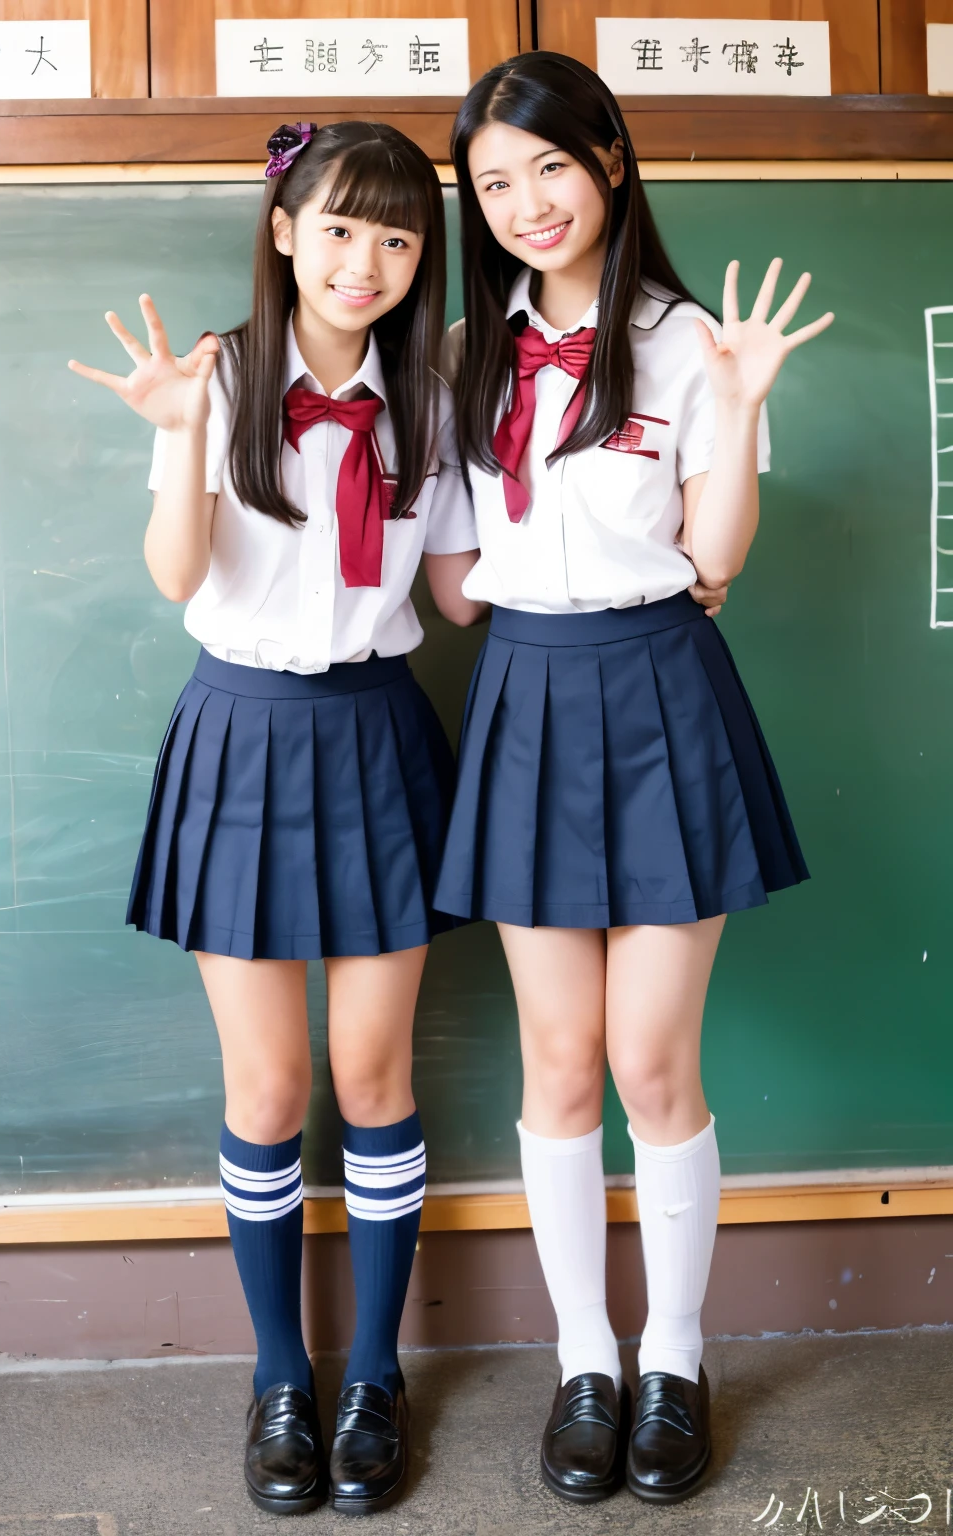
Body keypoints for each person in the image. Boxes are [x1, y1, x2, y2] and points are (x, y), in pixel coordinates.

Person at [435, 53, 833, 1505]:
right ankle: (581, 1362)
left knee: (654, 1064)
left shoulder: (690, 342)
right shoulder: (463, 352)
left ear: (608, 156)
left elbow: (716, 560)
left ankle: (676, 1357)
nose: (527, 202)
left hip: (662, 687)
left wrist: (739, 401)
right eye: (493, 184)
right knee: (556, 1066)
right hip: (527, 693)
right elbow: (460, 586)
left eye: (549, 166)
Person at [68, 120, 481, 1517]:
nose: (368, 260)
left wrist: (678, 556)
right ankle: (278, 1378)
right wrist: (185, 441)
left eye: (400, 236)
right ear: (287, 230)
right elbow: (176, 569)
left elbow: (469, 590)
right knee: (268, 1092)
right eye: (344, 227)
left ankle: (375, 1375)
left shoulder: (435, 396)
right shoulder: (221, 377)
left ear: (422, 259)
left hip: (376, 732)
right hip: (239, 732)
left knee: (374, 1082)